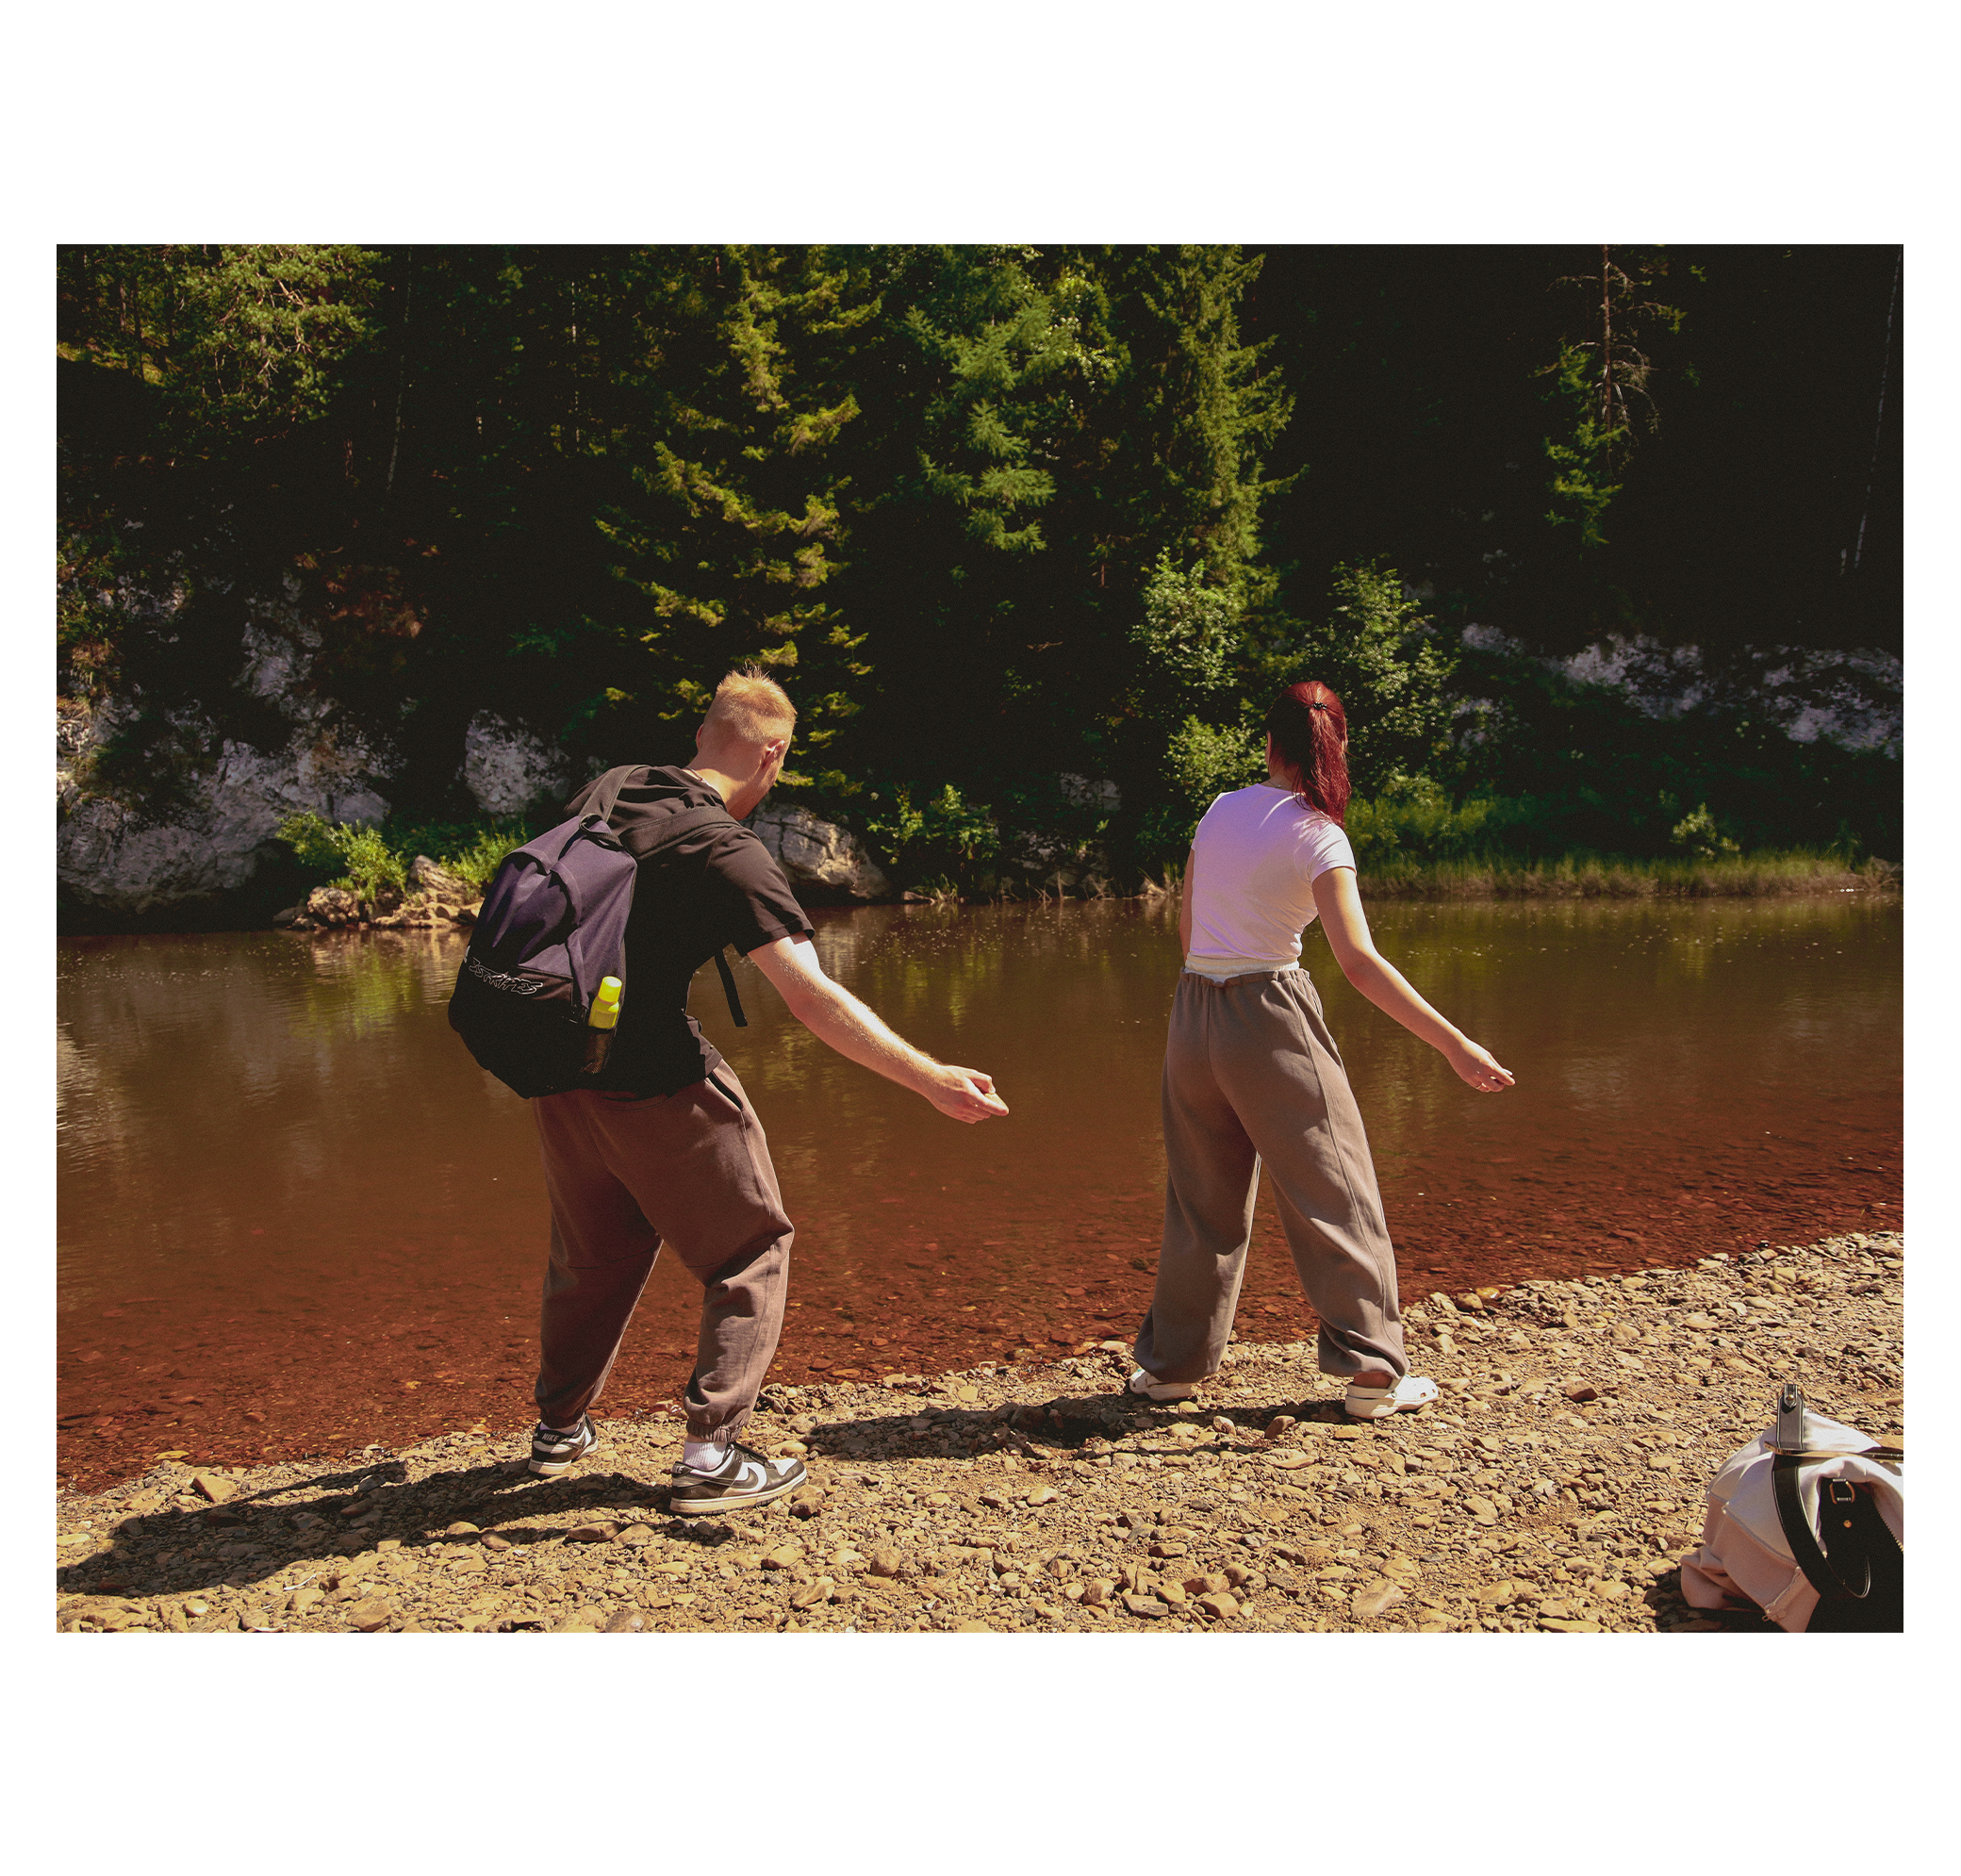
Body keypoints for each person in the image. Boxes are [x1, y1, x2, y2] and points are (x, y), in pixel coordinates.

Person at [526, 667, 1010, 1509]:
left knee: (594, 1252)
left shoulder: (613, 788)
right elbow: (811, 997)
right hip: (653, 1076)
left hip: (558, 1065)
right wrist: (929, 1078)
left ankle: (558, 1428)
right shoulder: (727, 849)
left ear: (706, 732)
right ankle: (711, 1456)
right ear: (773, 754)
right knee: (752, 1246)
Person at [1129, 679, 1514, 1420]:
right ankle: (1373, 1375)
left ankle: (1172, 1367)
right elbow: (1360, 963)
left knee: (1201, 1202)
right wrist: (1454, 1044)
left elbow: (1186, 921)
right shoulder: (1319, 835)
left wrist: (1203, 996)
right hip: (1269, 1013)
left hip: (1192, 1012)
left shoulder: (1220, 810)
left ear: (1268, 744)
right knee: (1337, 1193)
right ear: (1339, 745)